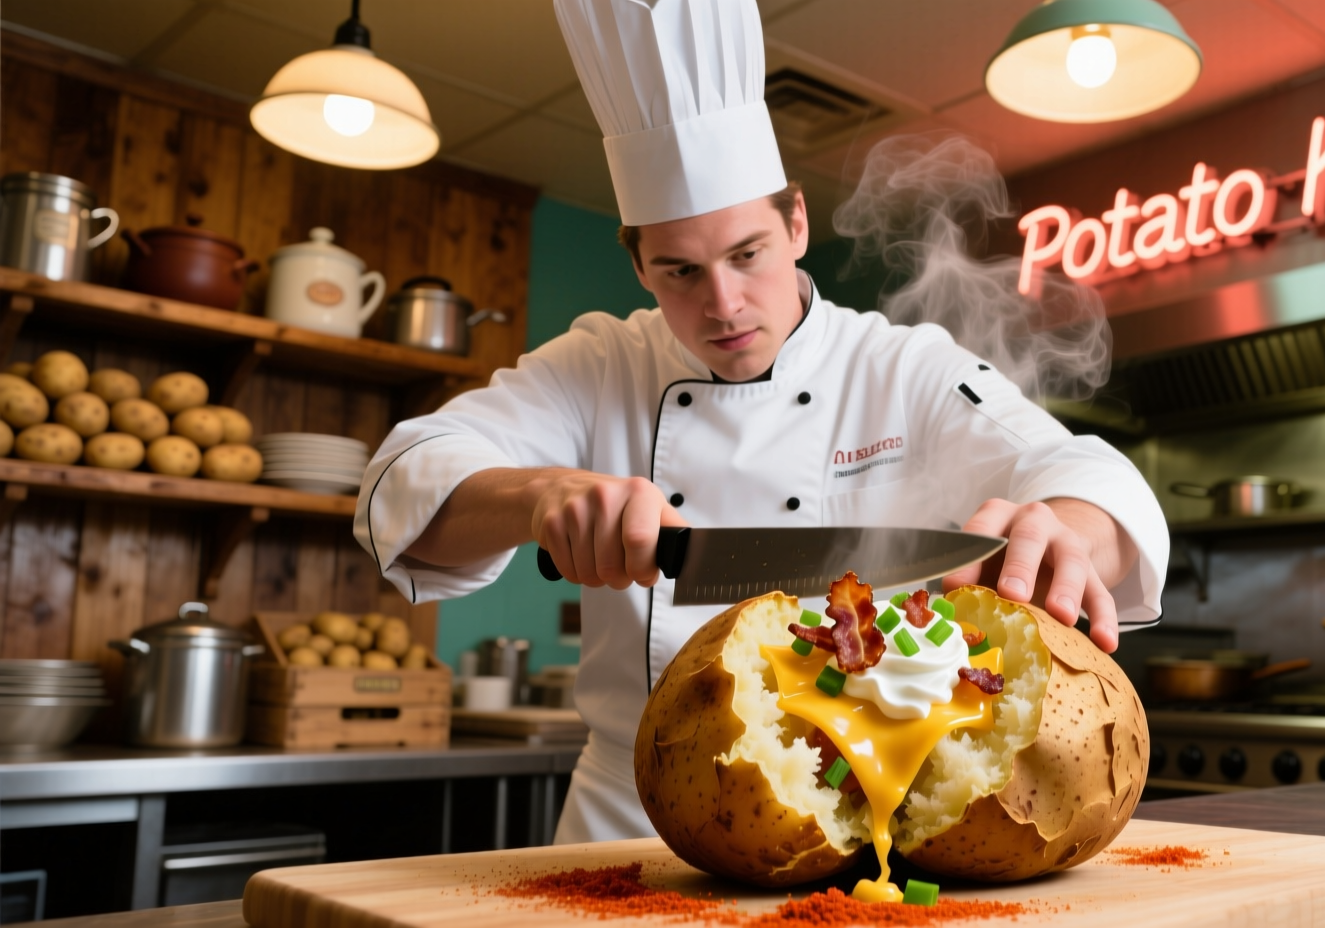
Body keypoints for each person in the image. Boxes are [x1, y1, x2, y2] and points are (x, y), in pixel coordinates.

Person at [353, 0, 1168, 845]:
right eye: (679, 271)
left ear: (797, 223)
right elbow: (404, 478)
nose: (724, 304)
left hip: (861, 813)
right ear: (637, 264)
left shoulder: (902, 367)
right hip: (628, 824)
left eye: (748, 255)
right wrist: (538, 495)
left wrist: (1067, 531)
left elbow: (1083, 476)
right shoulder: (599, 364)